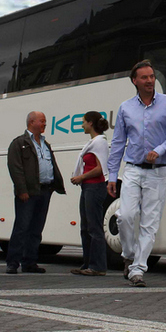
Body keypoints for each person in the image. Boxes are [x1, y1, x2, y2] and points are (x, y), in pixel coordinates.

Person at [107, 60, 166, 288]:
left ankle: (138, 270)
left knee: (149, 224)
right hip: (132, 169)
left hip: (158, 172)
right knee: (125, 216)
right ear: (135, 81)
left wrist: (161, 150)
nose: (150, 81)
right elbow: (118, 142)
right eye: (145, 77)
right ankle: (129, 254)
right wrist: (112, 175)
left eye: (152, 76)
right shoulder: (126, 108)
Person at [5, 111, 65, 274]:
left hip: (45, 190)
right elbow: (15, 168)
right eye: (42, 121)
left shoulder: (46, 144)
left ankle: (30, 261)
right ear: (32, 122)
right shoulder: (19, 143)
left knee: (36, 228)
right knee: (22, 226)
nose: (45, 124)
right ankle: (13, 262)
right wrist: (21, 189)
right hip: (28, 192)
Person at [70, 111, 110, 276]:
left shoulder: (99, 142)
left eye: (84, 122)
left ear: (91, 124)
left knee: (94, 227)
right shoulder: (93, 142)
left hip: (94, 186)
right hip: (88, 187)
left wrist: (81, 176)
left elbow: (100, 168)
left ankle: (98, 265)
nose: (82, 125)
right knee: (86, 227)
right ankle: (87, 263)